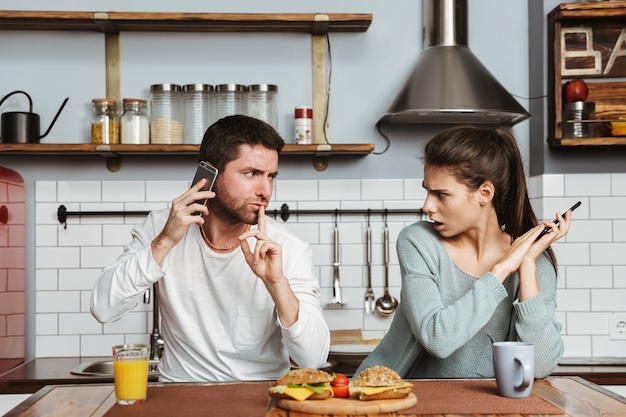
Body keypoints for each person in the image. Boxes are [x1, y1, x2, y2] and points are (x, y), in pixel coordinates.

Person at [91, 115, 330, 382]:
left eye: (271, 176)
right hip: (180, 397)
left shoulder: (287, 247)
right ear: (209, 174)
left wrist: (276, 283)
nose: (265, 190)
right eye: (251, 174)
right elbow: (104, 308)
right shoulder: (162, 228)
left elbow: (314, 358)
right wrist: (165, 241)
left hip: (261, 396)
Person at [355, 126, 568, 379]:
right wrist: (499, 271)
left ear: (484, 193)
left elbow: (540, 366)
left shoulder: (533, 262)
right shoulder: (418, 242)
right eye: (427, 191)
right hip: (391, 396)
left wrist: (527, 267)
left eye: (441, 194)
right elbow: (437, 339)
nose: (427, 206)